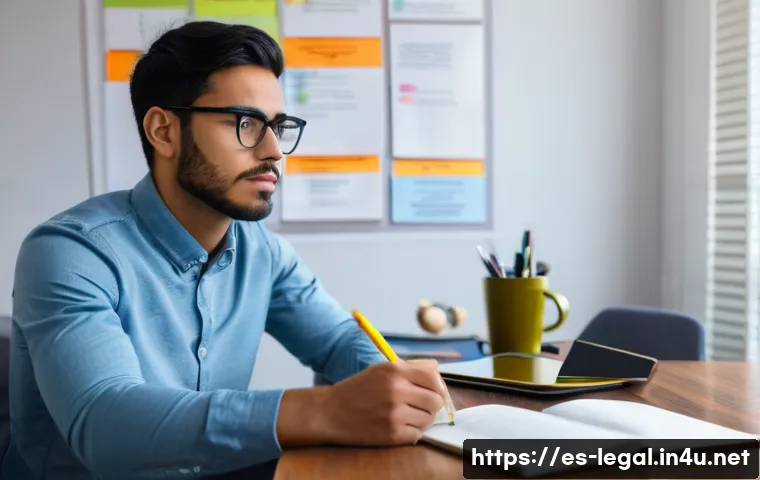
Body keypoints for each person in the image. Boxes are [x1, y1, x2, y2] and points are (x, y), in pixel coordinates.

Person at [1, 21, 450, 479]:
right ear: (164, 131)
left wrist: (399, 392)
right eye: (246, 123)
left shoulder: (263, 253)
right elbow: (104, 423)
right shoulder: (69, 252)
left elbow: (339, 339)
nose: (275, 151)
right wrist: (325, 410)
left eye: (278, 126)